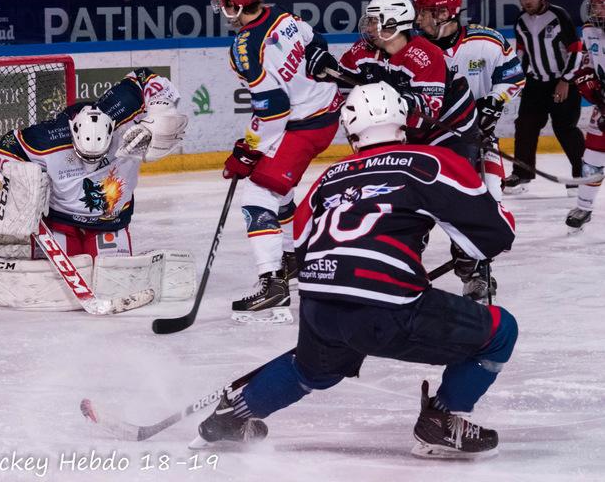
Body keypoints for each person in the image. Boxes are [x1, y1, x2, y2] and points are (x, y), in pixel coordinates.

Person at [192, 82, 518, 459]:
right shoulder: (429, 162)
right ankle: (442, 420)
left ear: (350, 131)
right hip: (388, 307)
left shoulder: (330, 176)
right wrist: (493, 195)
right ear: (404, 122)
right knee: (500, 332)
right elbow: (494, 237)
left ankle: (233, 416)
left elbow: (302, 242)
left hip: (319, 303)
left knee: (312, 369)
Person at [211, 0, 343, 323]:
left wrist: (249, 149)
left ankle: (273, 283)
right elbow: (317, 41)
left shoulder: (244, 48)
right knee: (279, 188)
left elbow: (274, 109)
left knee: (257, 195)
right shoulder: (284, 17)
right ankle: (292, 256)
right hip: (324, 114)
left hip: (303, 126)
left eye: (224, 3)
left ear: (234, 4)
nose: (222, 10)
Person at [0, 68, 188, 258]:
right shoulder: (47, 138)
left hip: (111, 221)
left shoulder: (123, 110)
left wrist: (160, 111)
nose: (91, 165)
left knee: (112, 276)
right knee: (51, 278)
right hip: (59, 220)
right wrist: (23, 182)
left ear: (112, 130)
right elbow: (8, 146)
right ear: (73, 136)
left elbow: (144, 76)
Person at [413, 0, 526, 301]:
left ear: (444, 13)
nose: (419, 19)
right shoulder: (413, 49)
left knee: (487, 202)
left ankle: (475, 269)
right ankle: (405, 266)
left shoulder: (486, 41)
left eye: (425, 12)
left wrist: (495, 100)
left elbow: (514, 76)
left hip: (478, 140)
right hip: (426, 146)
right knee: (416, 209)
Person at [339, 0, 480, 164]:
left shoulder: (426, 54)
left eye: (374, 21)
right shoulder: (362, 50)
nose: (368, 28)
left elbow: (429, 110)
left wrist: (395, 104)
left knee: (451, 174)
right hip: (407, 132)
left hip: (450, 125)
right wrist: (324, 68)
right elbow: (341, 84)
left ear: (392, 22)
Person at [506, 0, 585, 195]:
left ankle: (582, 175)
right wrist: (519, 80)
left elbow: (576, 49)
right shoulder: (521, 20)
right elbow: (521, 53)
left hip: (562, 82)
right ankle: (522, 174)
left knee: (565, 129)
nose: (527, 0)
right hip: (536, 83)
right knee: (525, 126)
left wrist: (566, 80)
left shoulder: (559, 16)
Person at [566, 0, 605, 230]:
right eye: (595, 4)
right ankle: (584, 206)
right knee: (592, 157)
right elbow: (588, 63)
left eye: (602, 4)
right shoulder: (590, 30)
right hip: (604, 103)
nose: (596, 9)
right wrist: (589, 82)